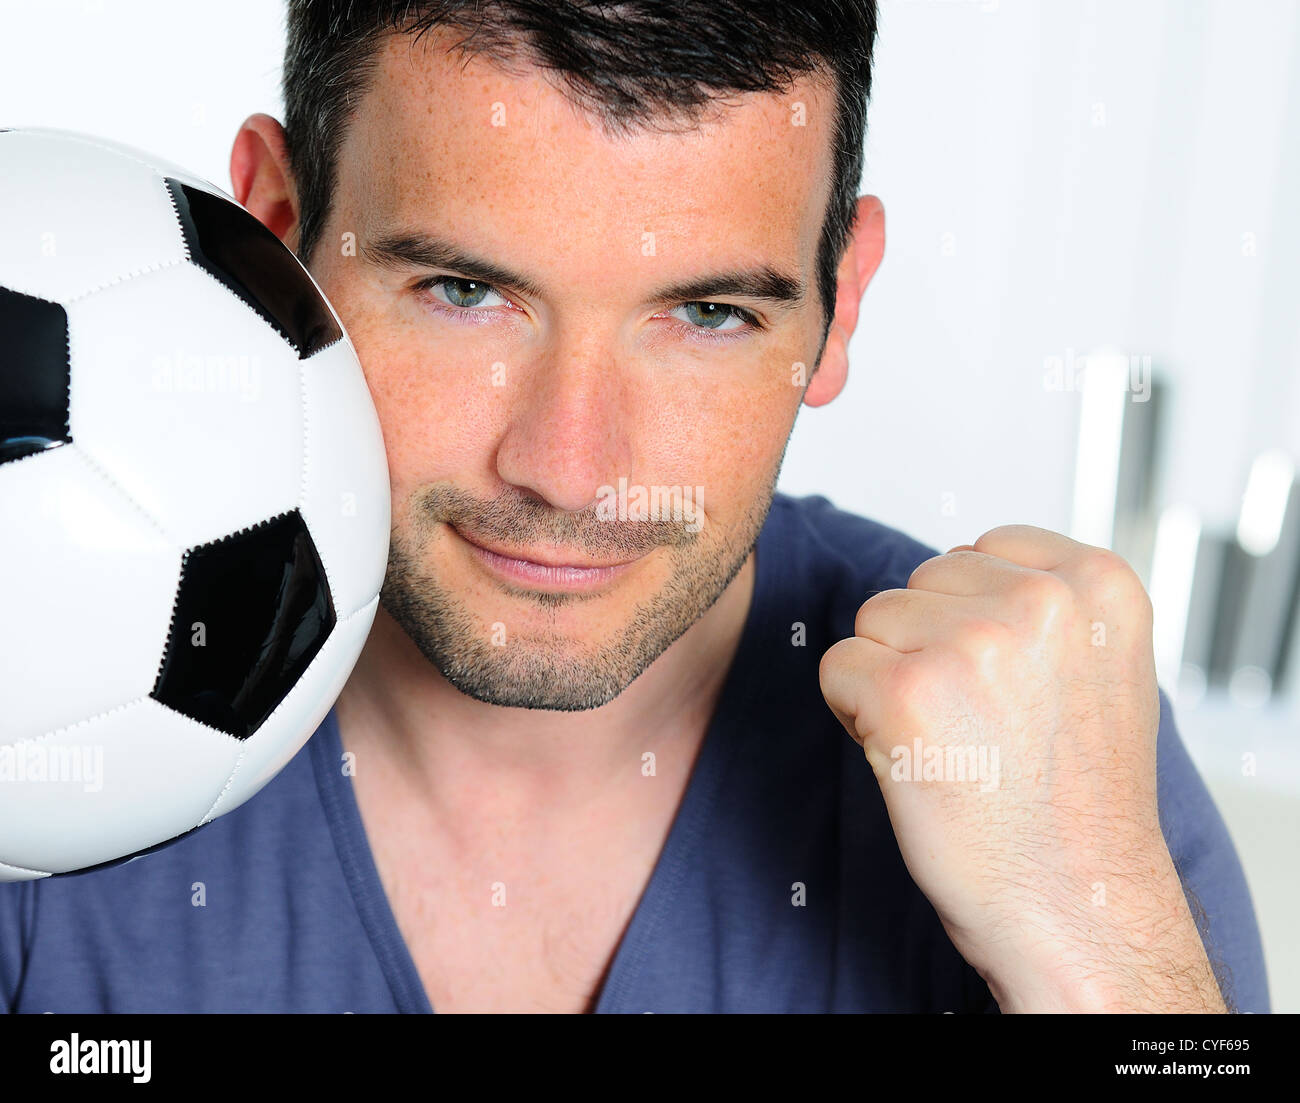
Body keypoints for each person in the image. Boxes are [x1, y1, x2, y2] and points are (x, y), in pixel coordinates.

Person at [0, 0, 1269, 1013]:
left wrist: (1098, 949)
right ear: (271, 232)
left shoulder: (1052, 747)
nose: (569, 465)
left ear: (843, 303)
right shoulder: (35, 724)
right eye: (463, 292)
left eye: (708, 315)